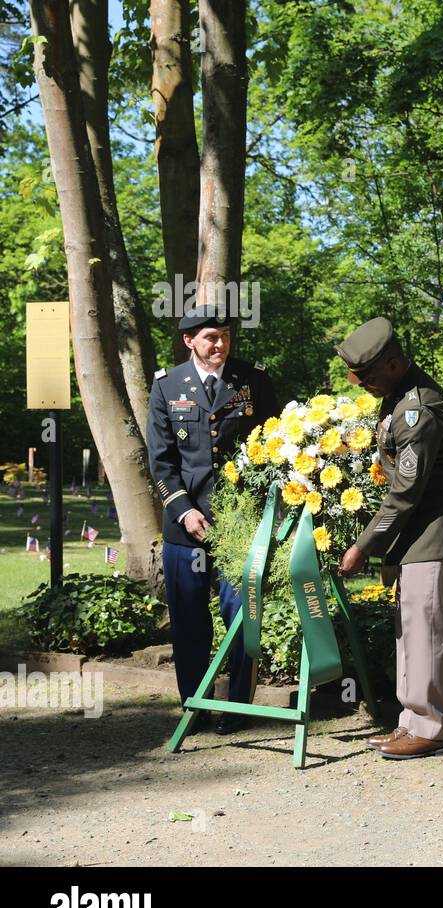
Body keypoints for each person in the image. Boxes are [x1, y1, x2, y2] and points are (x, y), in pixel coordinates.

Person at [336, 317, 443, 760]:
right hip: (418, 530)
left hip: (434, 529)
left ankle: (432, 727)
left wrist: (363, 547)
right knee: (411, 627)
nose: (361, 385)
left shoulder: (417, 412)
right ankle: (412, 721)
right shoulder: (399, 396)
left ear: (394, 363)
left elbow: (405, 493)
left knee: (426, 628)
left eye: (367, 376)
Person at [147, 303, 277, 735]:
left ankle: (238, 708)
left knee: (242, 617)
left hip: (241, 525)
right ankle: (194, 705)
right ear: (189, 340)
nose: (220, 344)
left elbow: (275, 446)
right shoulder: (167, 386)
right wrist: (184, 511)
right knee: (189, 621)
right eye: (211, 337)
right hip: (185, 526)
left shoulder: (253, 380)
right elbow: (161, 460)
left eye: (225, 336)